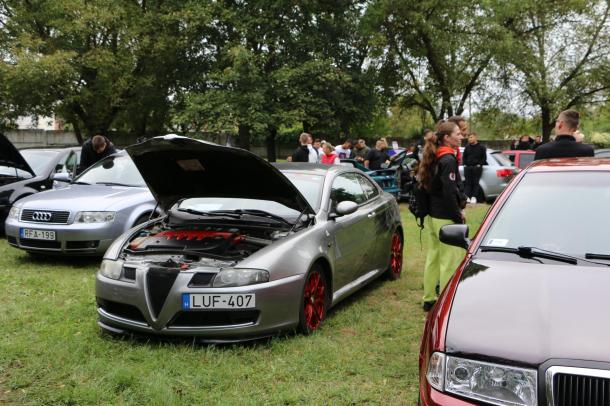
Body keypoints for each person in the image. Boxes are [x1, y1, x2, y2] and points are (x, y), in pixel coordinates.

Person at [418, 121, 466, 311]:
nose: (461, 136)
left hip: (432, 214)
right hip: (444, 215)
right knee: (449, 260)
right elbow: (448, 191)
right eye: (458, 133)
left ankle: (429, 298)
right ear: (447, 137)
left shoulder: (436, 156)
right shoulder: (448, 159)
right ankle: (445, 305)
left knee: (434, 257)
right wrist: (457, 215)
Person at [462, 132, 487, 204]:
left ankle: (474, 197)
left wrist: (479, 164)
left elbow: (484, 158)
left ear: (475, 137)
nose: (469, 139)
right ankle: (467, 197)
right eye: (469, 138)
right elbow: (464, 157)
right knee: (467, 183)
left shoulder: (482, 147)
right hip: (468, 168)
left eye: (471, 137)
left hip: (477, 168)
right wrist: (464, 165)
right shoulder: (467, 147)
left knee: (476, 183)